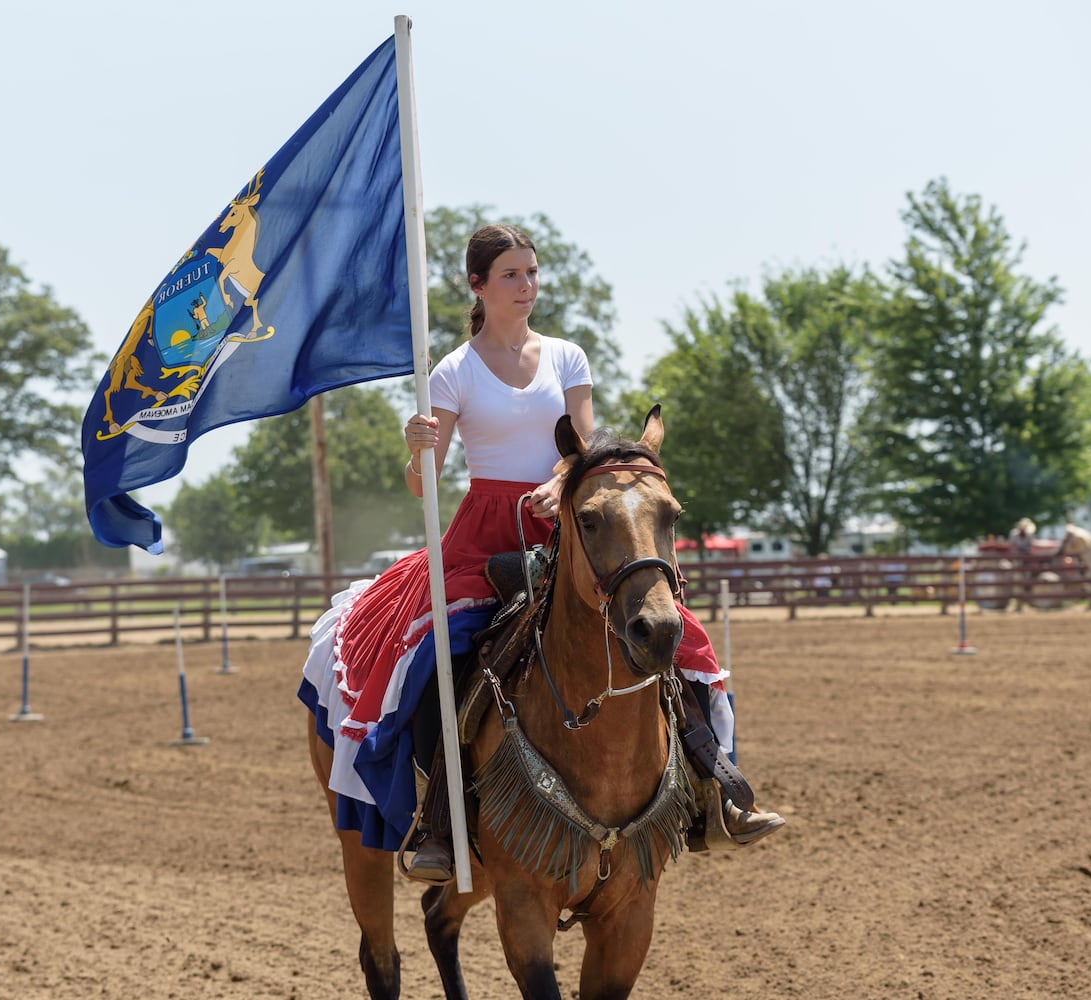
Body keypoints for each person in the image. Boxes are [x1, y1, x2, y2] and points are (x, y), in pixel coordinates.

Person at [298, 224, 783, 887]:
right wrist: (417, 448)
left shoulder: (567, 357)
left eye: (531, 273)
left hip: (567, 525)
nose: (526, 286)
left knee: (684, 639)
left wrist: (561, 486)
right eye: (510, 275)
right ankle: (439, 821)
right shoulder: (454, 372)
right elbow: (423, 485)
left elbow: (582, 446)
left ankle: (714, 792)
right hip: (483, 534)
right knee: (436, 653)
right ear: (478, 285)